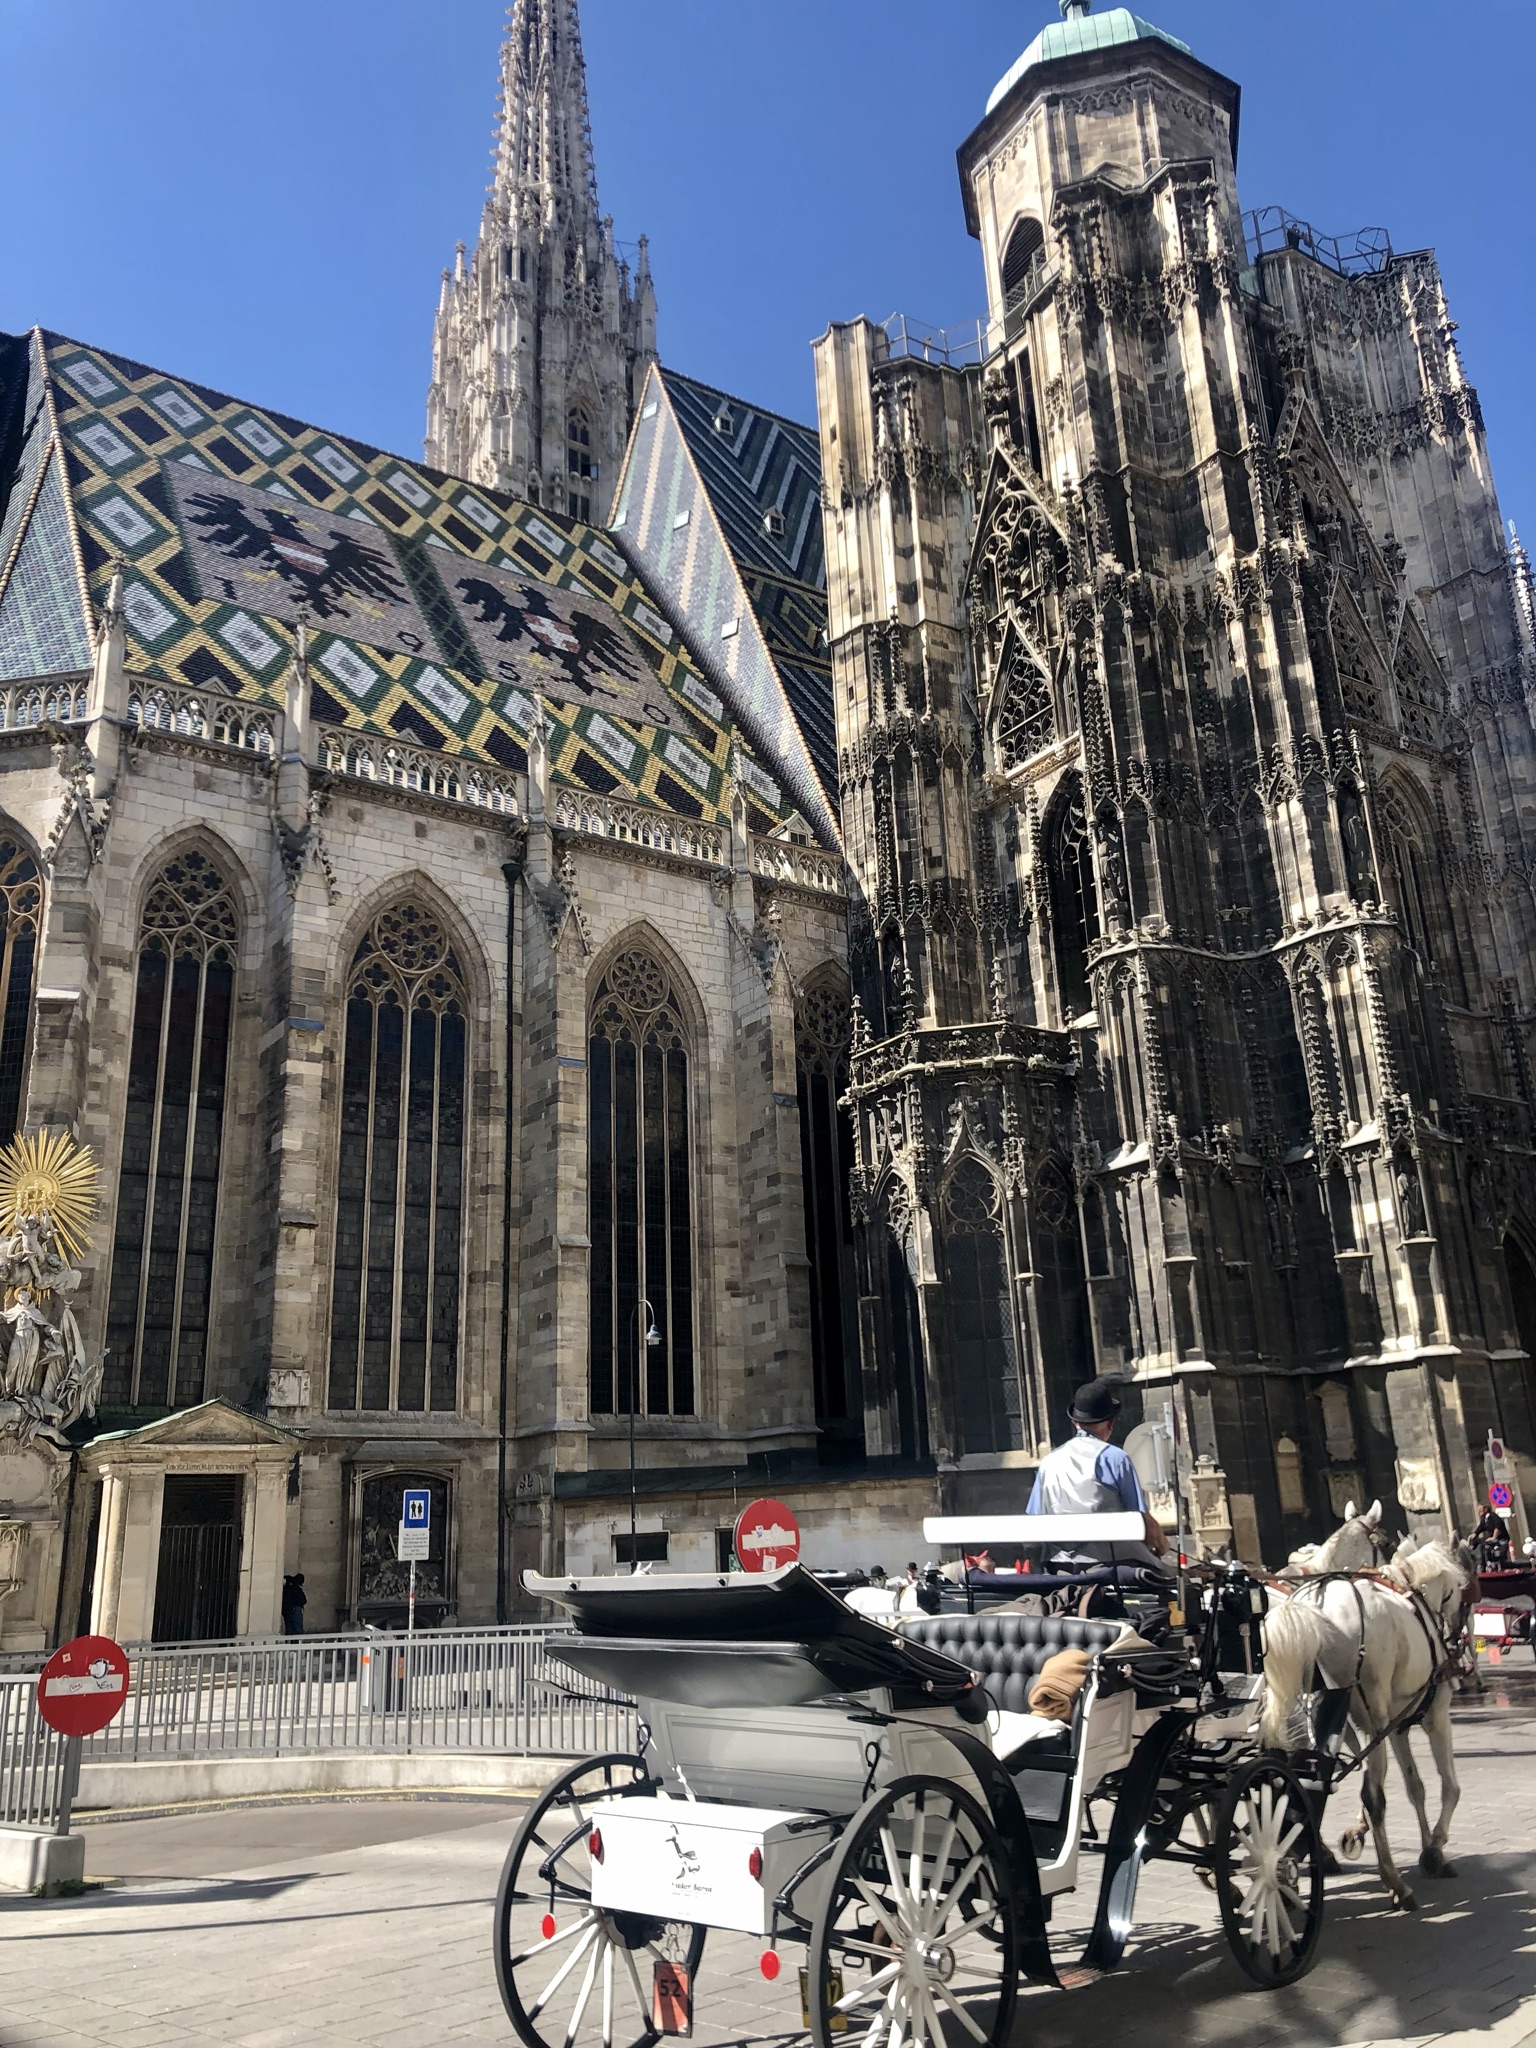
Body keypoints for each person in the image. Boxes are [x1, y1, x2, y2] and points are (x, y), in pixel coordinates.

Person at [1027, 1377, 1170, 1570]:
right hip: (1112, 1563)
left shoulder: (1048, 1462)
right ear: (1110, 1423)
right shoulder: (1116, 1458)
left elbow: (1035, 1516)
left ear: (1074, 1422)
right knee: (1172, 1577)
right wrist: (1161, 1543)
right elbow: (1140, 1517)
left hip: (1059, 1565)